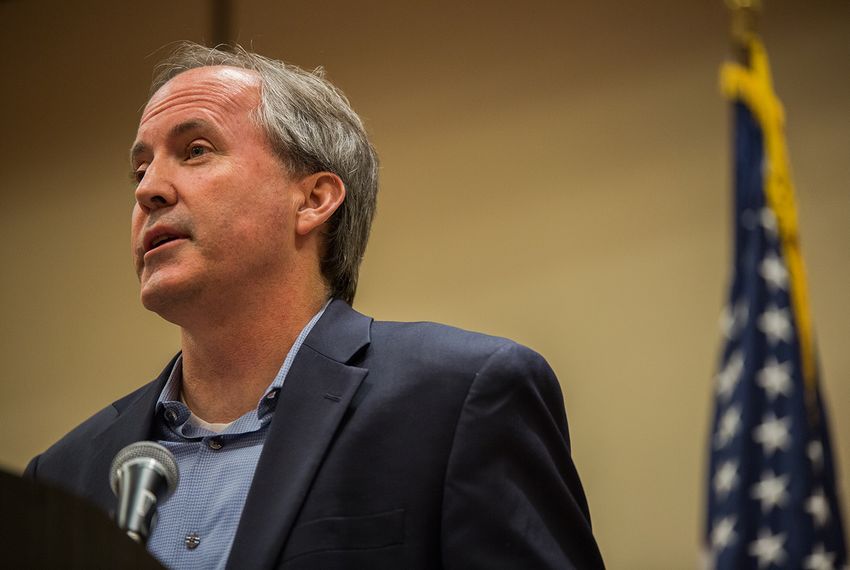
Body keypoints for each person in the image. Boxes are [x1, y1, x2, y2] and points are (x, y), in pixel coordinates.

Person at [25, 42, 604, 569]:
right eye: (140, 167)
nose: (147, 189)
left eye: (195, 150)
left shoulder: (458, 401)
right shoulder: (64, 475)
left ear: (313, 200)